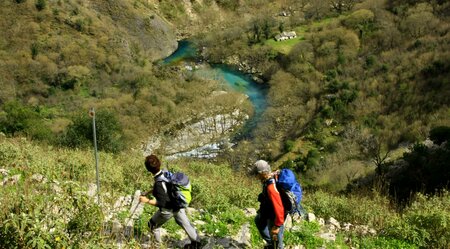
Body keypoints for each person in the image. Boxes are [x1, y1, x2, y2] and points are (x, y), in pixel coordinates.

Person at [139, 155, 202, 249]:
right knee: (185, 223)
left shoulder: (158, 183)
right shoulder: (165, 173)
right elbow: (165, 186)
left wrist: (146, 200)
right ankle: (197, 243)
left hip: (168, 209)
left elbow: (162, 203)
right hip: (177, 204)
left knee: (152, 225)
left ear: (148, 169)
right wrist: (149, 191)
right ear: (159, 164)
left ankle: (157, 245)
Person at [253, 160, 286, 249]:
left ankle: (275, 245)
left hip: (275, 217)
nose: (256, 176)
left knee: (278, 244)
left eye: (257, 174)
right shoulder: (269, 177)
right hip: (269, 211)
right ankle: (271, 243)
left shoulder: (271, 186)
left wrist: (277, 225)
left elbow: (279, 207)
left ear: (263, 173)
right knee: (259, 220)